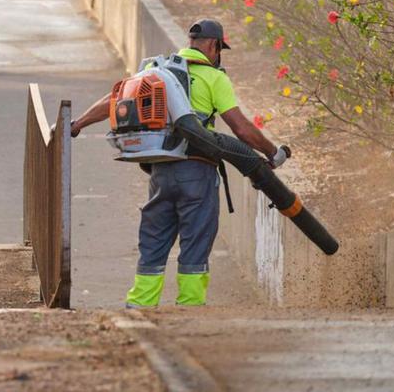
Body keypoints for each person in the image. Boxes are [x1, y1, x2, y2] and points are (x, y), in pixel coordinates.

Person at [70, 19, 290, 307]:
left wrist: (78, 123)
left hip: (160, 170)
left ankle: (139, 307)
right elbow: (241, 129)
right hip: (197, 171)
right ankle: (189, 311)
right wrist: (273, 153)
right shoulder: (214, 78)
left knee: (154, 242)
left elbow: (114, 99)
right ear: (214, 46)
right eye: (218, 50)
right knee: (196, 244)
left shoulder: (156, 71)